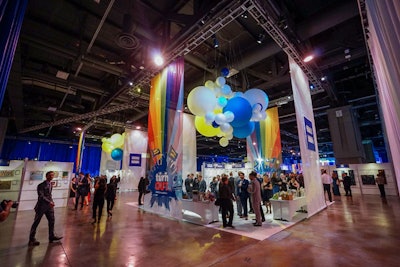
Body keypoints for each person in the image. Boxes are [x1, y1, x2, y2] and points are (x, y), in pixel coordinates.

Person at [28, 171, 62, 246]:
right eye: (50, 175)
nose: (52, 177)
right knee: (36, 222)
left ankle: (51, 236)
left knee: (52, 221)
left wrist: (51, 201)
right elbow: (41, 196)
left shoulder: (50, 184)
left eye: (53, 175)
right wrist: (49, 202)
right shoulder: (41, 185)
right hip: (41, 206)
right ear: (46, 176)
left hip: (49, 207)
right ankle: (31, 238)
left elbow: (49, 195)